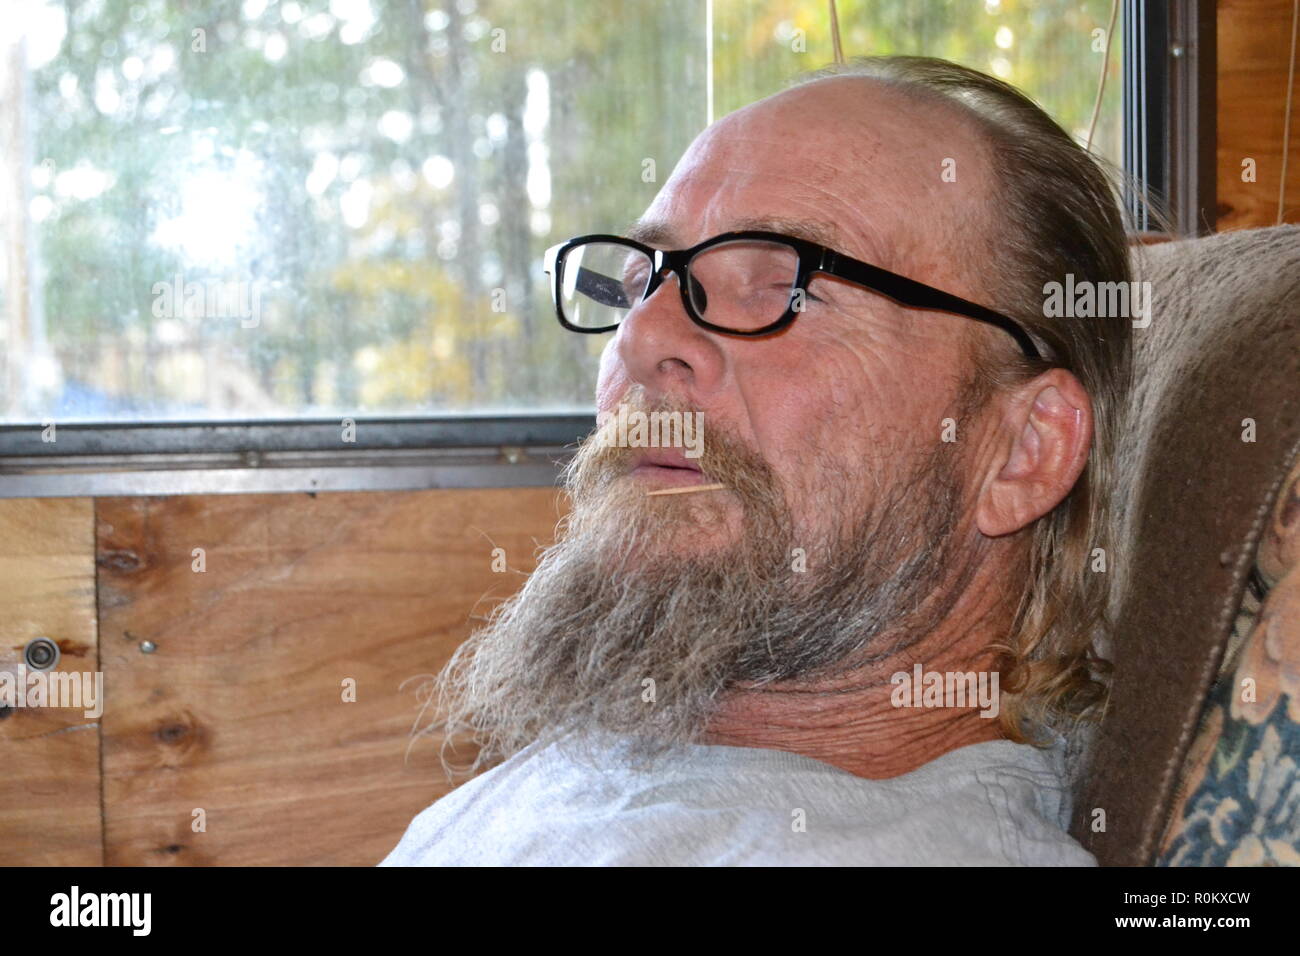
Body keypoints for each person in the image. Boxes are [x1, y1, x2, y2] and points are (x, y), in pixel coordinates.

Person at [381, 55, 1133, 866]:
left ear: (1025, 451)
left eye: (787, 287)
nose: (641, 338)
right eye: (643, 282)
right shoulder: (601, 770)